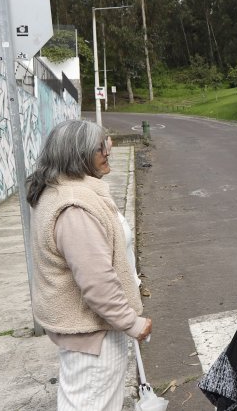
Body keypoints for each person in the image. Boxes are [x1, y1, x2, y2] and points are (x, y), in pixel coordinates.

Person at [27, 119, 152, 410]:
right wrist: (131, 323)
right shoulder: (74, 207)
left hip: (88, 336)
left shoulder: (64, 191)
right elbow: (97, 283)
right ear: (77, 154)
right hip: (95, 339)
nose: (109, 151)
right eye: (101, 147)